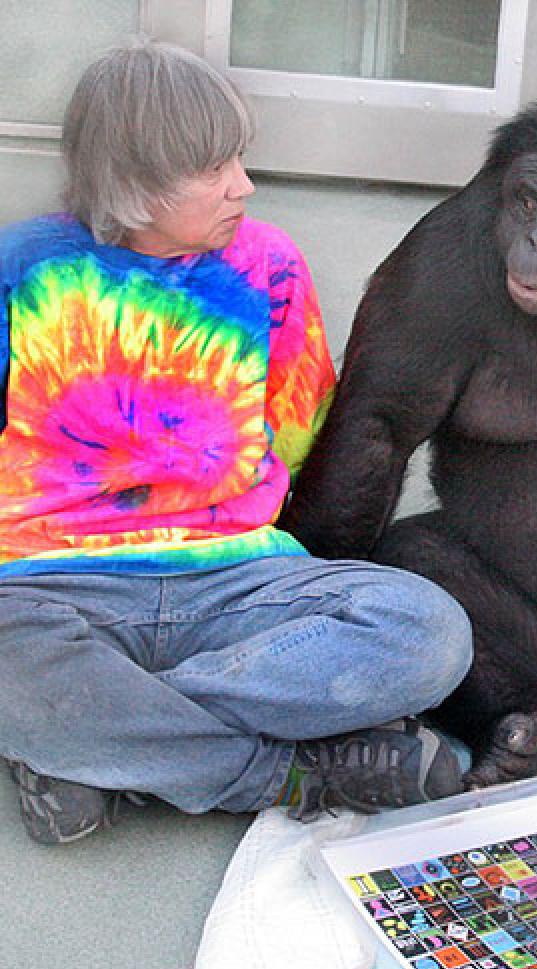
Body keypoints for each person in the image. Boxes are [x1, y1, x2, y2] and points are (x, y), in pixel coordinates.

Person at [0, 40, 473, 845]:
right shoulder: (25, 267)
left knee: (427, 632)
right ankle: (291, 772)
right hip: (50, 584)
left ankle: (104, 743)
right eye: (213, 169)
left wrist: (99, 712)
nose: (243, 186)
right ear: (133, 183)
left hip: (238, 585)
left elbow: (293, 436)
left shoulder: (268, 265)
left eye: (239, 160)